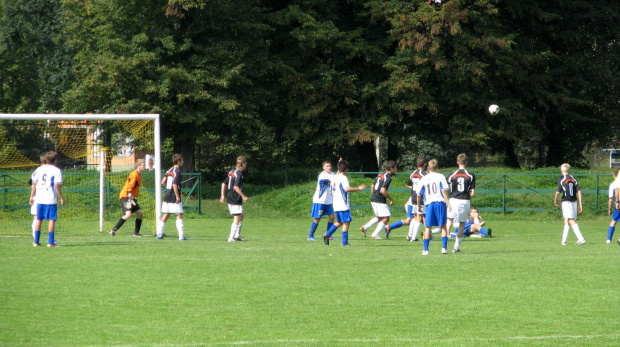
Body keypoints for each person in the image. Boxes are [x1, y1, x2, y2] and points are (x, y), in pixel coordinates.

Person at [322, 160, 367, 246]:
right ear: (346, 169)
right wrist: (359, 188)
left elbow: (331, 192)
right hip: (343, 204)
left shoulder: (334, 177)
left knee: (340, 222)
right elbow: (347, 189)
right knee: (346, 222)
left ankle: (327, 234)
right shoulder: (343, 178)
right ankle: (344, 242)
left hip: (336, 204)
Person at [385, 157, 427, 242]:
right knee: (419, 218)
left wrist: (415, 188)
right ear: (425, 164)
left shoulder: (413, 173)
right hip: (420, 198)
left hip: (413, 197)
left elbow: (408, 184)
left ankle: (409, 236)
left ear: (416, 164)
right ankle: (414, 237)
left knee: (414, 218)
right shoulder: (424, 175)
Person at [29, 151, 65, 247]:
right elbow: (56, 185)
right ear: (55, 160)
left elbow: (34, 184)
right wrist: (61, 197)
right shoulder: (56, 170)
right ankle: (50, 242)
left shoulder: (39, 169)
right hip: (50, 198)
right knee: (52, 219)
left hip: (39, 198)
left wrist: (31, 196)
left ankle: (36, 241)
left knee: (38, 219)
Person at [416, 159, 451, 255]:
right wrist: (448, 203)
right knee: (443, 226)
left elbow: (419, 194)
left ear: (428, 167)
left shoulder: (424, 178)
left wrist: (419, 206)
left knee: (428, 227)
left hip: (430, 203)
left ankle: (426, 250)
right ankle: (444, 248)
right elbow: (444, 191)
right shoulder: (441, 176)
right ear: (437, 167)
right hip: (440, 202)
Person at [360, 160, 398, 239]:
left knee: (380, 217)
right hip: (379, 200)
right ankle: (374, 235)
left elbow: (372, 186)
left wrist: (374, 195)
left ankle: (364, 227)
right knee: (386, 218)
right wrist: (391, 199)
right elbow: (383, 190)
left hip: (374, 198)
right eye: (395, 168)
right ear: (391, 168)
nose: (396, 169)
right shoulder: (388, 178)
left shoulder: (380, 174)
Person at [446, 153, 476, 253]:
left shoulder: (451, 175)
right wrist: (467, 197)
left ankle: (444, 246)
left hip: (453, 200)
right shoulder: (470, 175)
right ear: (466, 162)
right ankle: (456, 247)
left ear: (457, 162)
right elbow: (473, 193)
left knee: (449, 221)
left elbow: (447, 189)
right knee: (462, 224)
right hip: (464, 200)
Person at [109, 159, 145, 237]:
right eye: (143, 165)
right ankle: (113, 230)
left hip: (131, 197)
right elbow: (130, 186)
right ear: (138, 165)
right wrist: (129, 195)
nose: (144, 166)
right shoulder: (134, 174)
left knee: (140, 213)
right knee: (128, 214)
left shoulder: (139, 175)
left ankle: (136, 233)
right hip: (126, 196)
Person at [156, 154, 186, 240]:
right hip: (173, 195)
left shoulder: (169, 170)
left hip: (167, 195)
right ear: (179, 161)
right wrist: (177, 196)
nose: (183, 162)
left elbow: (163, 182)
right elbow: (175, 184)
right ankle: (181, 236)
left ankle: (159, 234)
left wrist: (168, 189)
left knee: (166, 213)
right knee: (179, 214)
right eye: (182, 160)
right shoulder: (178, 171)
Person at [553, 163, 585, 245]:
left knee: (570, 220)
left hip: (566, 201)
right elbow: (579, 191)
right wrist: (580, 204)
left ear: (561, 171)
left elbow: (558, 192)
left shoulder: (562, 179)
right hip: (574, 201)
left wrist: (555, 199)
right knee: (566, 220)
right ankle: (564, 241)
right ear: (568, 170)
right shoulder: (573, 179)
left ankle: (581, 238)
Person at [220, 156, 249, 242]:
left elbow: (224, 184)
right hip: (235, 197)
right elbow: (236, 187)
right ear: (243, 164)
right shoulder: (239, 173)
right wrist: (243, 196)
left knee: (241, 215)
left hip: (229, 196)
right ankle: (231, 238)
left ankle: (237, 235)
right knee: (237, 218)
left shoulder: (232, 172)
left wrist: (222, 195)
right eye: (246, 163)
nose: (246, 165)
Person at [307, 161, 335, 241]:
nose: (329, 167)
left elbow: (337, 176)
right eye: (327, 166)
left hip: (327, 201)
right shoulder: (323, 175)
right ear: (323, 168)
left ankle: (328, 235)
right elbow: (336, 178)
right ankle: (310, 236)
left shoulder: (332, 174)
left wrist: (340, 164)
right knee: (317, 218)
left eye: (330, 166)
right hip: (320, 200)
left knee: (332, 216)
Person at [28, 154, 47, 239]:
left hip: (40, 196)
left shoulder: (37, 170)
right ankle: (36, 237)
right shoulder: (48, 170)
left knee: (38, 217)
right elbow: (32, 184)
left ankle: (38, 237)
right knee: (38, 217)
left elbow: (30, 183)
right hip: (42, 196)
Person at [606, 167, 620, 244]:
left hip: (618, 204)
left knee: (613, 221)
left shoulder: (613, 184)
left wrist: (609, 209)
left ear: (614, 175)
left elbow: (610, 199)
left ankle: (609, 239)